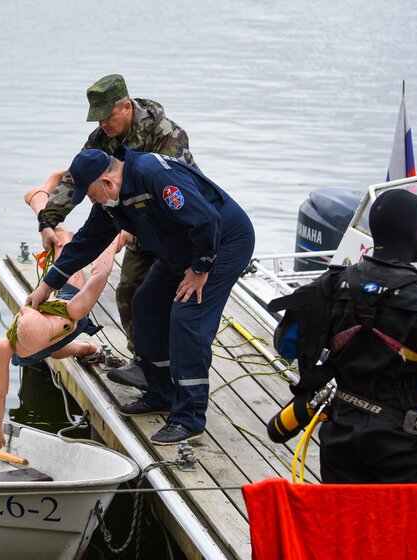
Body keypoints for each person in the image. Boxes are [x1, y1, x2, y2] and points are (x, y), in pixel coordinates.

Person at [27, 147, 255, 445]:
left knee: (187, 317)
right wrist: (46, 286)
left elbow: (206, 220)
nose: (92, 200)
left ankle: (189, 417)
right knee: (145, 304)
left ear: (107, 182)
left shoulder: (155, 175)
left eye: (92, 194)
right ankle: (161, 393)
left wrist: (200, 269)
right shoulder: (113, 200)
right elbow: (86, 243)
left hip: (221, 244)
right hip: (182, 249)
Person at [271, 189, 417, 485]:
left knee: (345, 528)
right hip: (406, 452)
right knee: (400, 532)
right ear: (414, 232)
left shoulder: (331, 286)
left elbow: (286, 345)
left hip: (341, 441)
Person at [37, 74, 198, 391]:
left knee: (174, 304)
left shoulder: (167, 135)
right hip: (137, 225)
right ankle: (145, 364)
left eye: (107, 116)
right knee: (129, 292)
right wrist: (49, 220)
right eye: (97, 118)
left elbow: (176, 194)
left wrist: (128, 231)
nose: (103, 124)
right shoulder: (103, 136)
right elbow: (75, 177)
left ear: (126, 107)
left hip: (178, 229)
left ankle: (179, 375)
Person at [0, 177, 126, 452]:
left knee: (65, 247)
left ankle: (39, 202)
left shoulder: (72, 311)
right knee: (62, 243)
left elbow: (101, 271)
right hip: (52, 328)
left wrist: (119, 235)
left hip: (65, 304)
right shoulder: (6, 345)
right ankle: (40, 206)